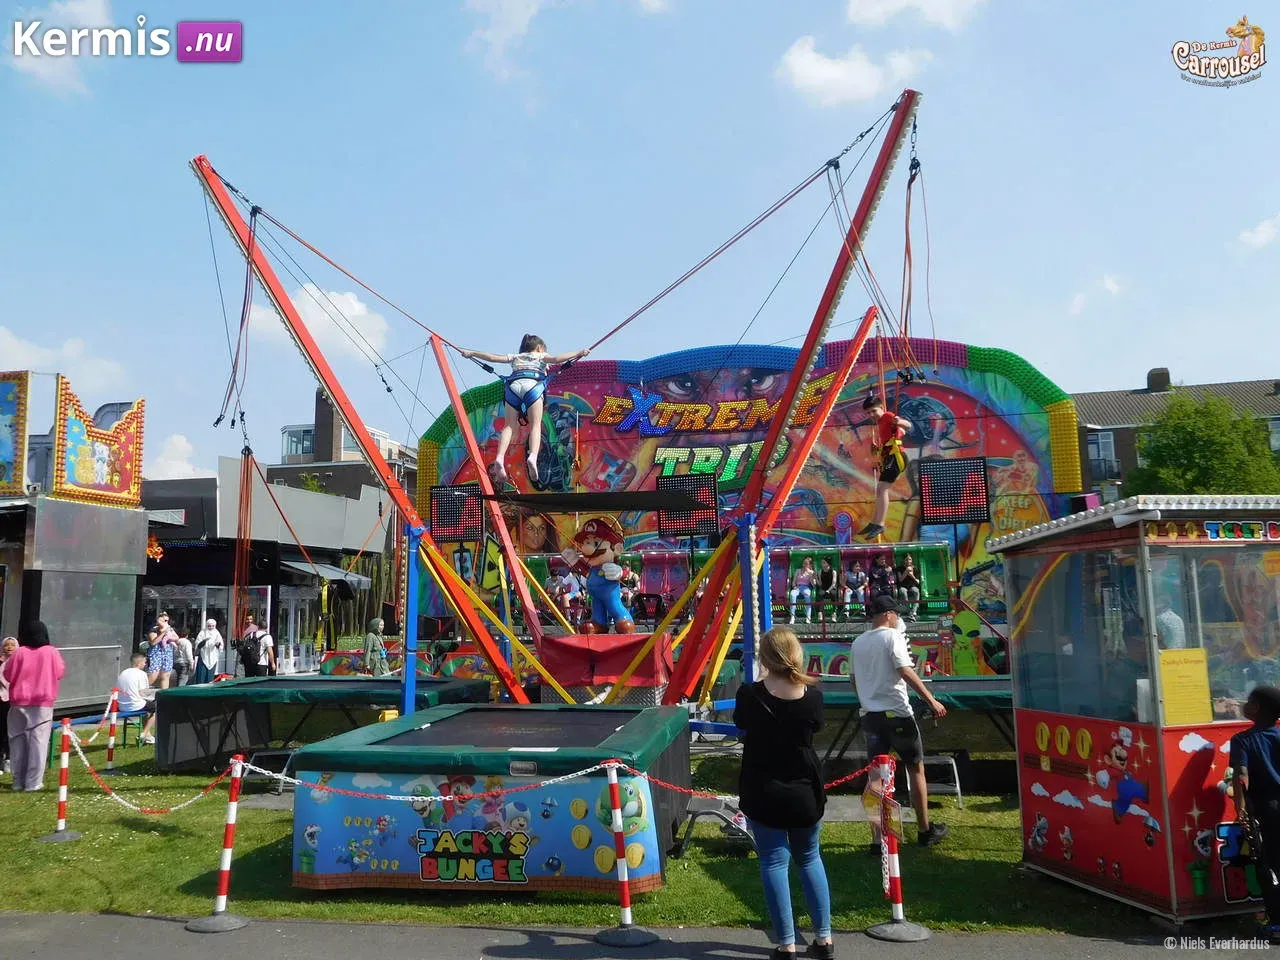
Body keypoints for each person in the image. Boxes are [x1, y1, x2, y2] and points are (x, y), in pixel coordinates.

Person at [734, 626, 833, 959]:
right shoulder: (813, 697)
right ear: (796, 654)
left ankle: (786, 943)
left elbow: (741, 723)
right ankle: (824, 938)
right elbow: (816, 726)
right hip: (804, 789)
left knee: (774, 863)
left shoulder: (749, 695)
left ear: (764, 659)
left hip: (764, 788)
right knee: (810, 857)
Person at [850, 595, 950, 847]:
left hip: (871, 716)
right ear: (888, 615)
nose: (899, 618)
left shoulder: (858, 642)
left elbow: (853, 680)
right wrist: (931, 700)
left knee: (875, 777)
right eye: (897, 614)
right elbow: (905, 670)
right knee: (915, 769)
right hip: (897, 714)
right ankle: (925, 830)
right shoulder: (892, 636)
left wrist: (866, 700)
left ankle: (877, 839)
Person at [458, 335, 589, 485]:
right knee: (535, 425)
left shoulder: (515, 357)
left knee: (508, 426)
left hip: (513, 387)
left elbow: (493, 357)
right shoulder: (541, 356)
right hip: (533, 386)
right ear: (539, 348)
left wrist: (472, 353)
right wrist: (579, 352)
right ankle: (532, 456)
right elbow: (557, 359)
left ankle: (499, 458)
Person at [1227, 685, 1280, 944]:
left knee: (1269, 866)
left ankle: (1276, 924)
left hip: (1266, 810)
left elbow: (1241, 776)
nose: (1244, 704)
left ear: (1256, 708)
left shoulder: (1242, 740)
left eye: (1248, 701)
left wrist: (1241, 811)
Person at [2, 621, 66, 792]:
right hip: (42, 703)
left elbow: (7, 675)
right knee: (38, 742)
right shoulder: (51, 652)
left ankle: (17, 781)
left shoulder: (19, 652)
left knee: (17, 741)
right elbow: (60, 672)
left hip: (18, 702)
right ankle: (33, 782)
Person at [858, 395, 912, 540]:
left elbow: (907, 426)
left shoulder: (887, 416)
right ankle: (875, 522)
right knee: (880, 490)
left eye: (874, 411)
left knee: (882, 489)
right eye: (868, 413)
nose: (871, 415)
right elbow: (901, 432)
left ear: (881, 407)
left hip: (896, 457)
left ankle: (880, 524)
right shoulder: (881, 422)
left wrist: (899, 421)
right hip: (890, 457)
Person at [116, 653, 158, 745]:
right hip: (135, 705)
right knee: (157, 707)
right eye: (144, 662)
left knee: (146, 708)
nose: (145, 664)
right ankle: (144, 733)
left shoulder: (123, 673)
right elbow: (143, 693)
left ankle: (148, 736)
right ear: (139, 663)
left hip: (122, 705)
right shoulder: (141, 674)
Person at [146, 612, 177, 689]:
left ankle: (164, 693)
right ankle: (143, 689)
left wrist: (169, 638)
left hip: (167, 653)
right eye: (163, 620)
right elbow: (153, 642)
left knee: (166, 675)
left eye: (166, 621)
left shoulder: (170, 629)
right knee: (154, 674)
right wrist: (163, 633)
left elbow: (177, 638)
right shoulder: (154, 629)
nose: (165, 622)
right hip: (156, 654)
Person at [0, 636, 16, 774]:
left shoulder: (19, 662)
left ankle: (9, 759)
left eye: (12, 645)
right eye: (6, 645)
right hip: (1, 700)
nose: (9, 647)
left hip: (15, 700)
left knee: (12, 731)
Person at [193, 619, 224, 684]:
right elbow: (197, 644)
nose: (211, 627)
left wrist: (217, 645)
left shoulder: (216, 633)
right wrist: (203, 643)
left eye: (212, 626)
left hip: (213, 657)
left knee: (210, 676)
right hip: (203, 656)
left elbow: (221, 645)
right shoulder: (202, 633)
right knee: (201, 675)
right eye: (209, 626)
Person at [788, 557, 816, 625]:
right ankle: (792, 616)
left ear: (809, 565)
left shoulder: (811, 572)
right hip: (798, 587)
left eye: (806, 564)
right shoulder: (798, 570)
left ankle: (808, 617)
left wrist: (811, 577)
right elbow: (793, 582)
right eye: (804, 563)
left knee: (807, 595)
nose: (804, 565)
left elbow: (814, 585)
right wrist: (794, 587)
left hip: (806, 587)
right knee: (792, 594)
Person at [896, 556, 922, 622]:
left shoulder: (915, 568)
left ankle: (913, 611)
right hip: (903, 586)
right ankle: (908, 610)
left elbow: (917, 582)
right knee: (903, 591)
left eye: (910, 559)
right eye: (906, 559)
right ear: (904, 561)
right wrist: (906, 571)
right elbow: (900, 579)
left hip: (912, 586)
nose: (908, 561)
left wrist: (911, 575)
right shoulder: (899, 568)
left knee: (916, 591)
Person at [816, 558, 839, 623]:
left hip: (831, 588)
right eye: (822, 562)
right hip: (823, 588)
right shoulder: (820, 572)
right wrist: (816, 578)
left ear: (828, 563)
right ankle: (820, 613)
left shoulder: (833, 572)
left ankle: (834, 614)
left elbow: (834, 583)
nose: (822, 564)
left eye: (824, 562)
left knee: (833, 594)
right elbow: (820, 584)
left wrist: (828, 590)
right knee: (820, 594)